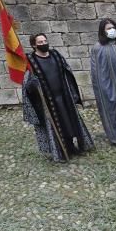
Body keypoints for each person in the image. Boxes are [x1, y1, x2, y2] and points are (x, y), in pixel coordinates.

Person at [22, 33, 95, 162]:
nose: (44, 43)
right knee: (56, 125)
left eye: (45, 40)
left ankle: (73, 146)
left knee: (70, 122)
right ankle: (61, 150)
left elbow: (66, 70)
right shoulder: (31, 61)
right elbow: (26, 85)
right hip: (48, 101)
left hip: (64, 96)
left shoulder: (55, 54)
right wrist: (31, 84)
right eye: (40, 42)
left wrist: (72, 91)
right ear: (34, 45)